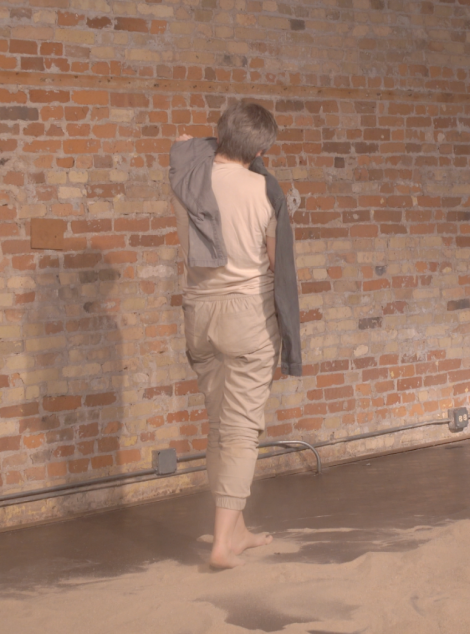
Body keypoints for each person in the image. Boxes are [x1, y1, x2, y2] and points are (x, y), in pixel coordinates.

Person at [169, 101, 302, 569]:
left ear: (220, 132)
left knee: (219, 426)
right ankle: (222, 543)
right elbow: (273, 260)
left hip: (199, 312)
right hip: (246, 313)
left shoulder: (186, 181)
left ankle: (237, 529)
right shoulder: (264, 192)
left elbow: (188, 148)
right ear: (262, 147)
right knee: (242, 429)